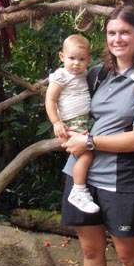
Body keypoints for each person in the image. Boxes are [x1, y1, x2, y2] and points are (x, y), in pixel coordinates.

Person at [62, 5, 134, 266]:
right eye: (111, 33)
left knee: (128, 256)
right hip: (79, 177)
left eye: (125, 32)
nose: (117, 39)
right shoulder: (98, 73)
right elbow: (69, 96)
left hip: (120, 178)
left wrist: (88, 142)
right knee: (90, 249)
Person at [45, 34, 99, 213]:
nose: (76, 63)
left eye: (81, 59)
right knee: (87, 155)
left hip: (84, 121)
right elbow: (50, 100)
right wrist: (56, 122)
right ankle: (78, 190)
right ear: (62, 57)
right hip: (68, 124)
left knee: (89, 152)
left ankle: (82, 188)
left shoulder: (84, 74)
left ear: (88, 60)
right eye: (72, 58)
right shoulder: (61, 75)